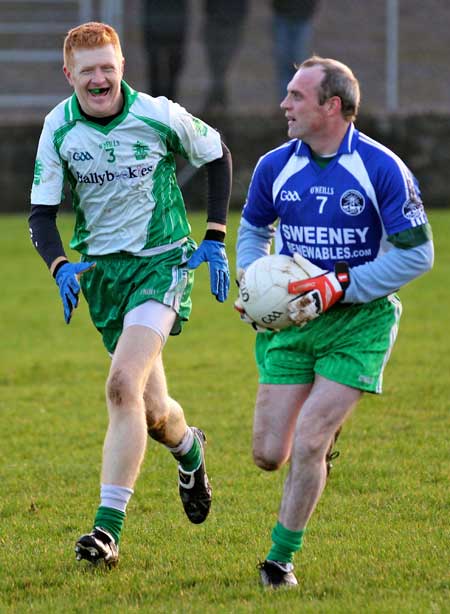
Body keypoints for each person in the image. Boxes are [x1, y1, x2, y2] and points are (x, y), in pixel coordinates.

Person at [28, 21, 232, 567]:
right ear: (68, 74)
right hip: (104, 278)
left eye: (107, 67)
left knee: (121, 386)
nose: (99, 78)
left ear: (122, 67)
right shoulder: (58, 128)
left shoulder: (157, 114)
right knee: (151, 410)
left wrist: (213, 235)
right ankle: (190, 448)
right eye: (87, 70)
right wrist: (60, 267)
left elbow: (216, 154)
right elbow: (41, 215)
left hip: (163, 263)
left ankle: (106, 532)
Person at [235, 56, 433, 588]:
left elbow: (418, 255)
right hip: (294, 323)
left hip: (359, 322)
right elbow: (253, 230)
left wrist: (339, 284)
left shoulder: (382, 168)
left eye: (296, 97)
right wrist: (253, 284)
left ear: (333, 107)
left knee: (309, 442)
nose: (284, 105)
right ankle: (318, 442)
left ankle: (279, 560)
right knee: (268, 455)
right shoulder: (274, 165)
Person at [202, 0, 249, 113]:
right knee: (216, 65)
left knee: (223, 65)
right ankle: (218, 99)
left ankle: (217, 99)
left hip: (233, 20)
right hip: (213, 18)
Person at [272, 0, 320, 100]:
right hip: (282, 12)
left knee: (299, 63)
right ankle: (287, 102)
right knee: (284, 62)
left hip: (302, 14)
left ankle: (299, 102)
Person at [141, 0, 188, 100]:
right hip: (156, 18)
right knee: (155, 66)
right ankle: (158, 103)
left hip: (174, 19)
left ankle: (166, 101)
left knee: (173, 65)